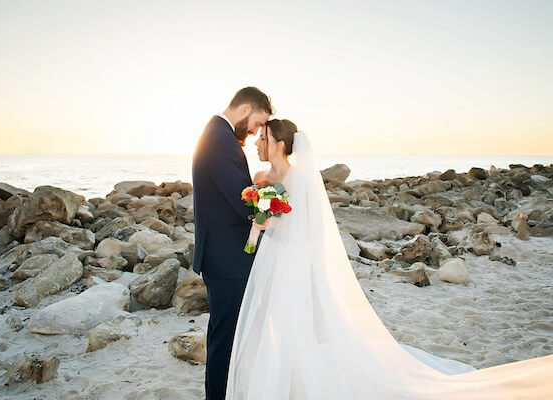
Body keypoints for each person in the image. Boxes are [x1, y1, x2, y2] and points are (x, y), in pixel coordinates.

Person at [225, 119, 553, 399]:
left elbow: (301, 228)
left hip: (290, 260)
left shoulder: (298, 180)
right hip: (273, 256)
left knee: (292, 322)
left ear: (280, 144)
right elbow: (265, 220)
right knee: (273, 322)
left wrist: (265, 235)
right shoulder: (263, 179)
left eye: (263, 139)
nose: (257, 143)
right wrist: (259, 226)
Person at [191, 86, 273, 400]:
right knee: (226, 339)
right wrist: (273, 196)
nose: (255, 132)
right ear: (244, 110)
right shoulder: (220, 140)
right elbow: (243, 203)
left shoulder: (217, 135)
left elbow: (235, 193)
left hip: (223, 255)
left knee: (224, 335)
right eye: (256, 123)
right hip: (227, 259)